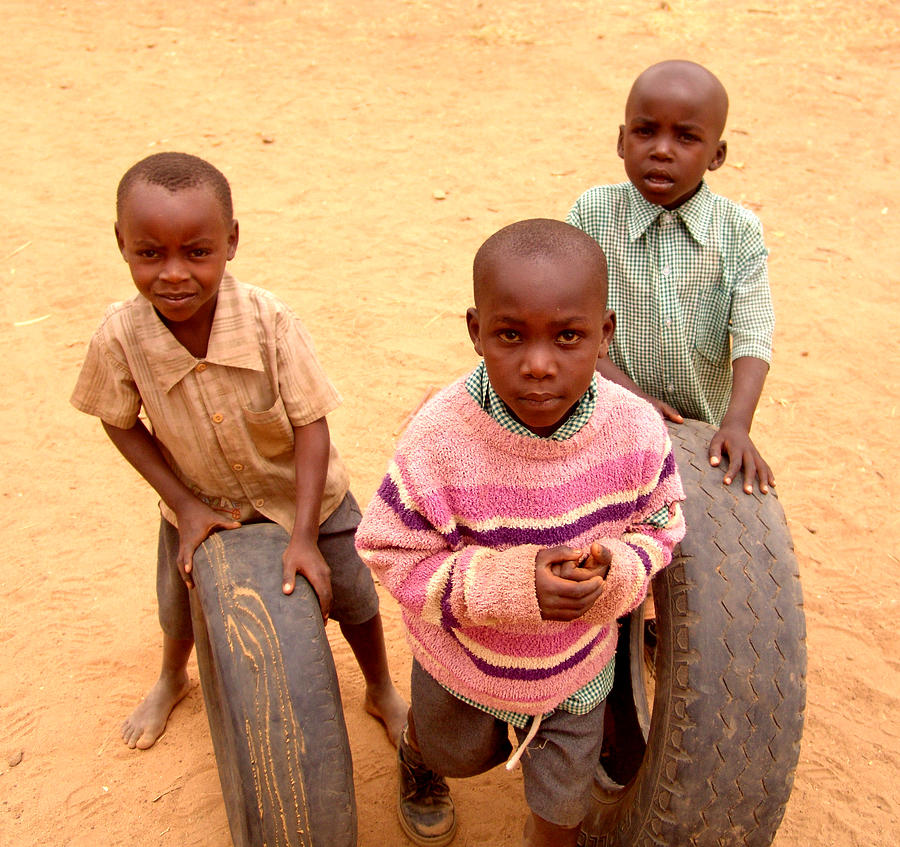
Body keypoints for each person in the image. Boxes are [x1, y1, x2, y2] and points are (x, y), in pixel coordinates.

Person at [355, 219, 685, 847]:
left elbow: (662, 524)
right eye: (511, 335)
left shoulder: (636, 430)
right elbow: (389, 548)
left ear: (604, 333)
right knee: (449, 748)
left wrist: (615, 571)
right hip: (463, 660)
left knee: (563, 811)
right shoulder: (441, 438)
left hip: (579, 667)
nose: (539, 365)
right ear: (476, 331)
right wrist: (509, 585)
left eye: (568, 337)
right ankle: (418, 759)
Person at [70, 152, 407, 751]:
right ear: (121, 243)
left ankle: (379, 687)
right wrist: (182, 503)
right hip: (198, 498)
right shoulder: (119, 337)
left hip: (302, 495)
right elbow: (116, 420)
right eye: (149, 254)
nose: (173, 274)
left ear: (230, 243)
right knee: (179, 604)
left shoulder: (269, 321)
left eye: (196, 252)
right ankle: (173, 677)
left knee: (354, 592)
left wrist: (305, 533)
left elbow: (310, 424)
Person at [567, 59, 776, 495]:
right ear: (622, 141)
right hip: (603, 407)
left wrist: (737, 425)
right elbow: (568, 324)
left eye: (686, 137)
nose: (662, 150)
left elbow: (754, 333)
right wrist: (632, 399)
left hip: (701, 425)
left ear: (716, 155)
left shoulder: (738, 231)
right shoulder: (593, 213)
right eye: (645, 132)